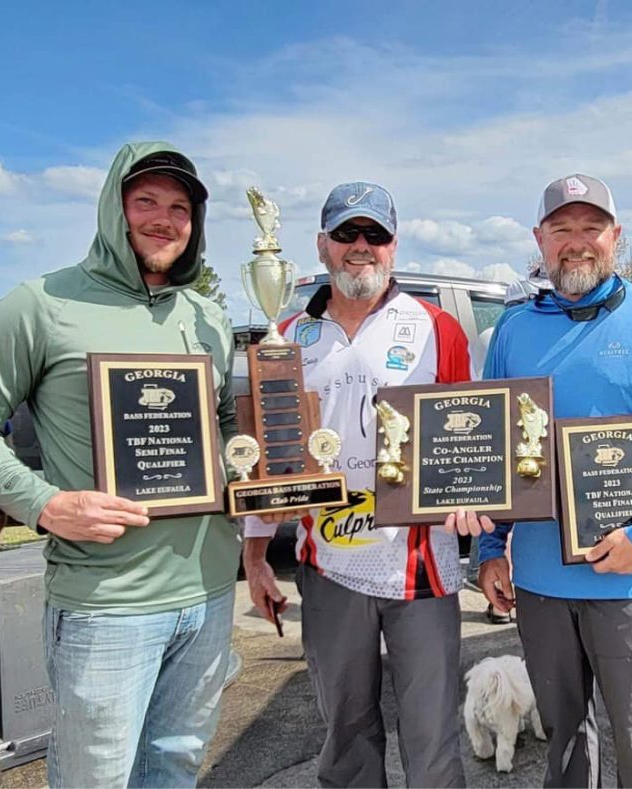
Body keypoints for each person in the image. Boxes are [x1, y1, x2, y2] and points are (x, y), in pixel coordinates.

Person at [0, 142, 240, 788]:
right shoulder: (40, 303)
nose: (163, 219)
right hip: (106, 601)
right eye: (146, 201)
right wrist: (42, 503)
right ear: (114, 208)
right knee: (95, 777)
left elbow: (227, 425)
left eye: (179, 207)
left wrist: (247, 470)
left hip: (208, 590)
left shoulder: (208, 316)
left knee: (175, 764)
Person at [242, 182, 489, 788]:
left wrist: (481, 528)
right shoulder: (286, 334)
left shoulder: (435, 328)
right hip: (327, 562)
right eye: (347, 234)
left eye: (374, 235)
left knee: (432, 735)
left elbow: (468, 442)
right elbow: (270, 457)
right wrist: (255, 554)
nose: (361, 247)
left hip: (421, 568)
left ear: (393, 246)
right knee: (344, 731)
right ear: (323, 246)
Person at [477, 173, 632, 788]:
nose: (577, 243)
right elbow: (496, 450)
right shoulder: (514, 331)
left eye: (591, 228)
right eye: (561, 229)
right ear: (539, 240)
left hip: (629, 579)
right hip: (542, 584)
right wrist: (492, 548)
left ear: (616, 237)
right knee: (565, 747)